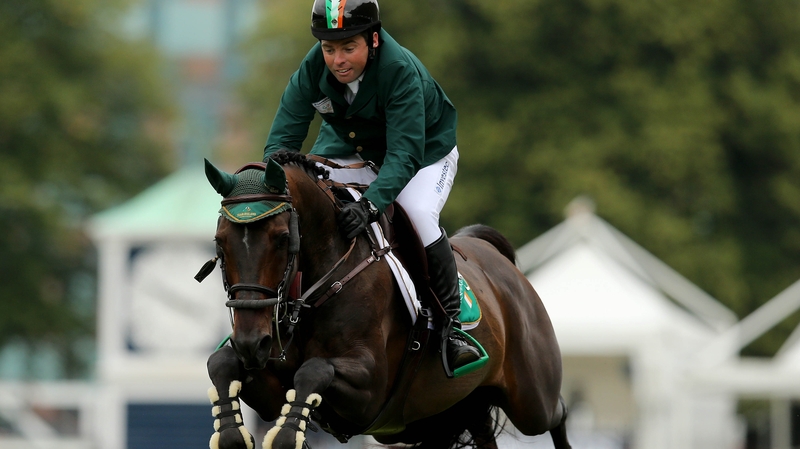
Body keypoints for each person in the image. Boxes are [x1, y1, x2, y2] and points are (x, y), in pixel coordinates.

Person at [263, 0, 479, 373]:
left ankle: (452, 325)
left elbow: (404, 154)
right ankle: (276, 313)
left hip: (424, 154)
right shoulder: (313, 67)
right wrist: (270, 185)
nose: (337, 60)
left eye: (349, 48)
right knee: (305, 198)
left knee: (417, 215)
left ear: (373, 40)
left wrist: (370, 205)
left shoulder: (398, 70)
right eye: (329, 49)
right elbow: (282, 141)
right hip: (351, 150)